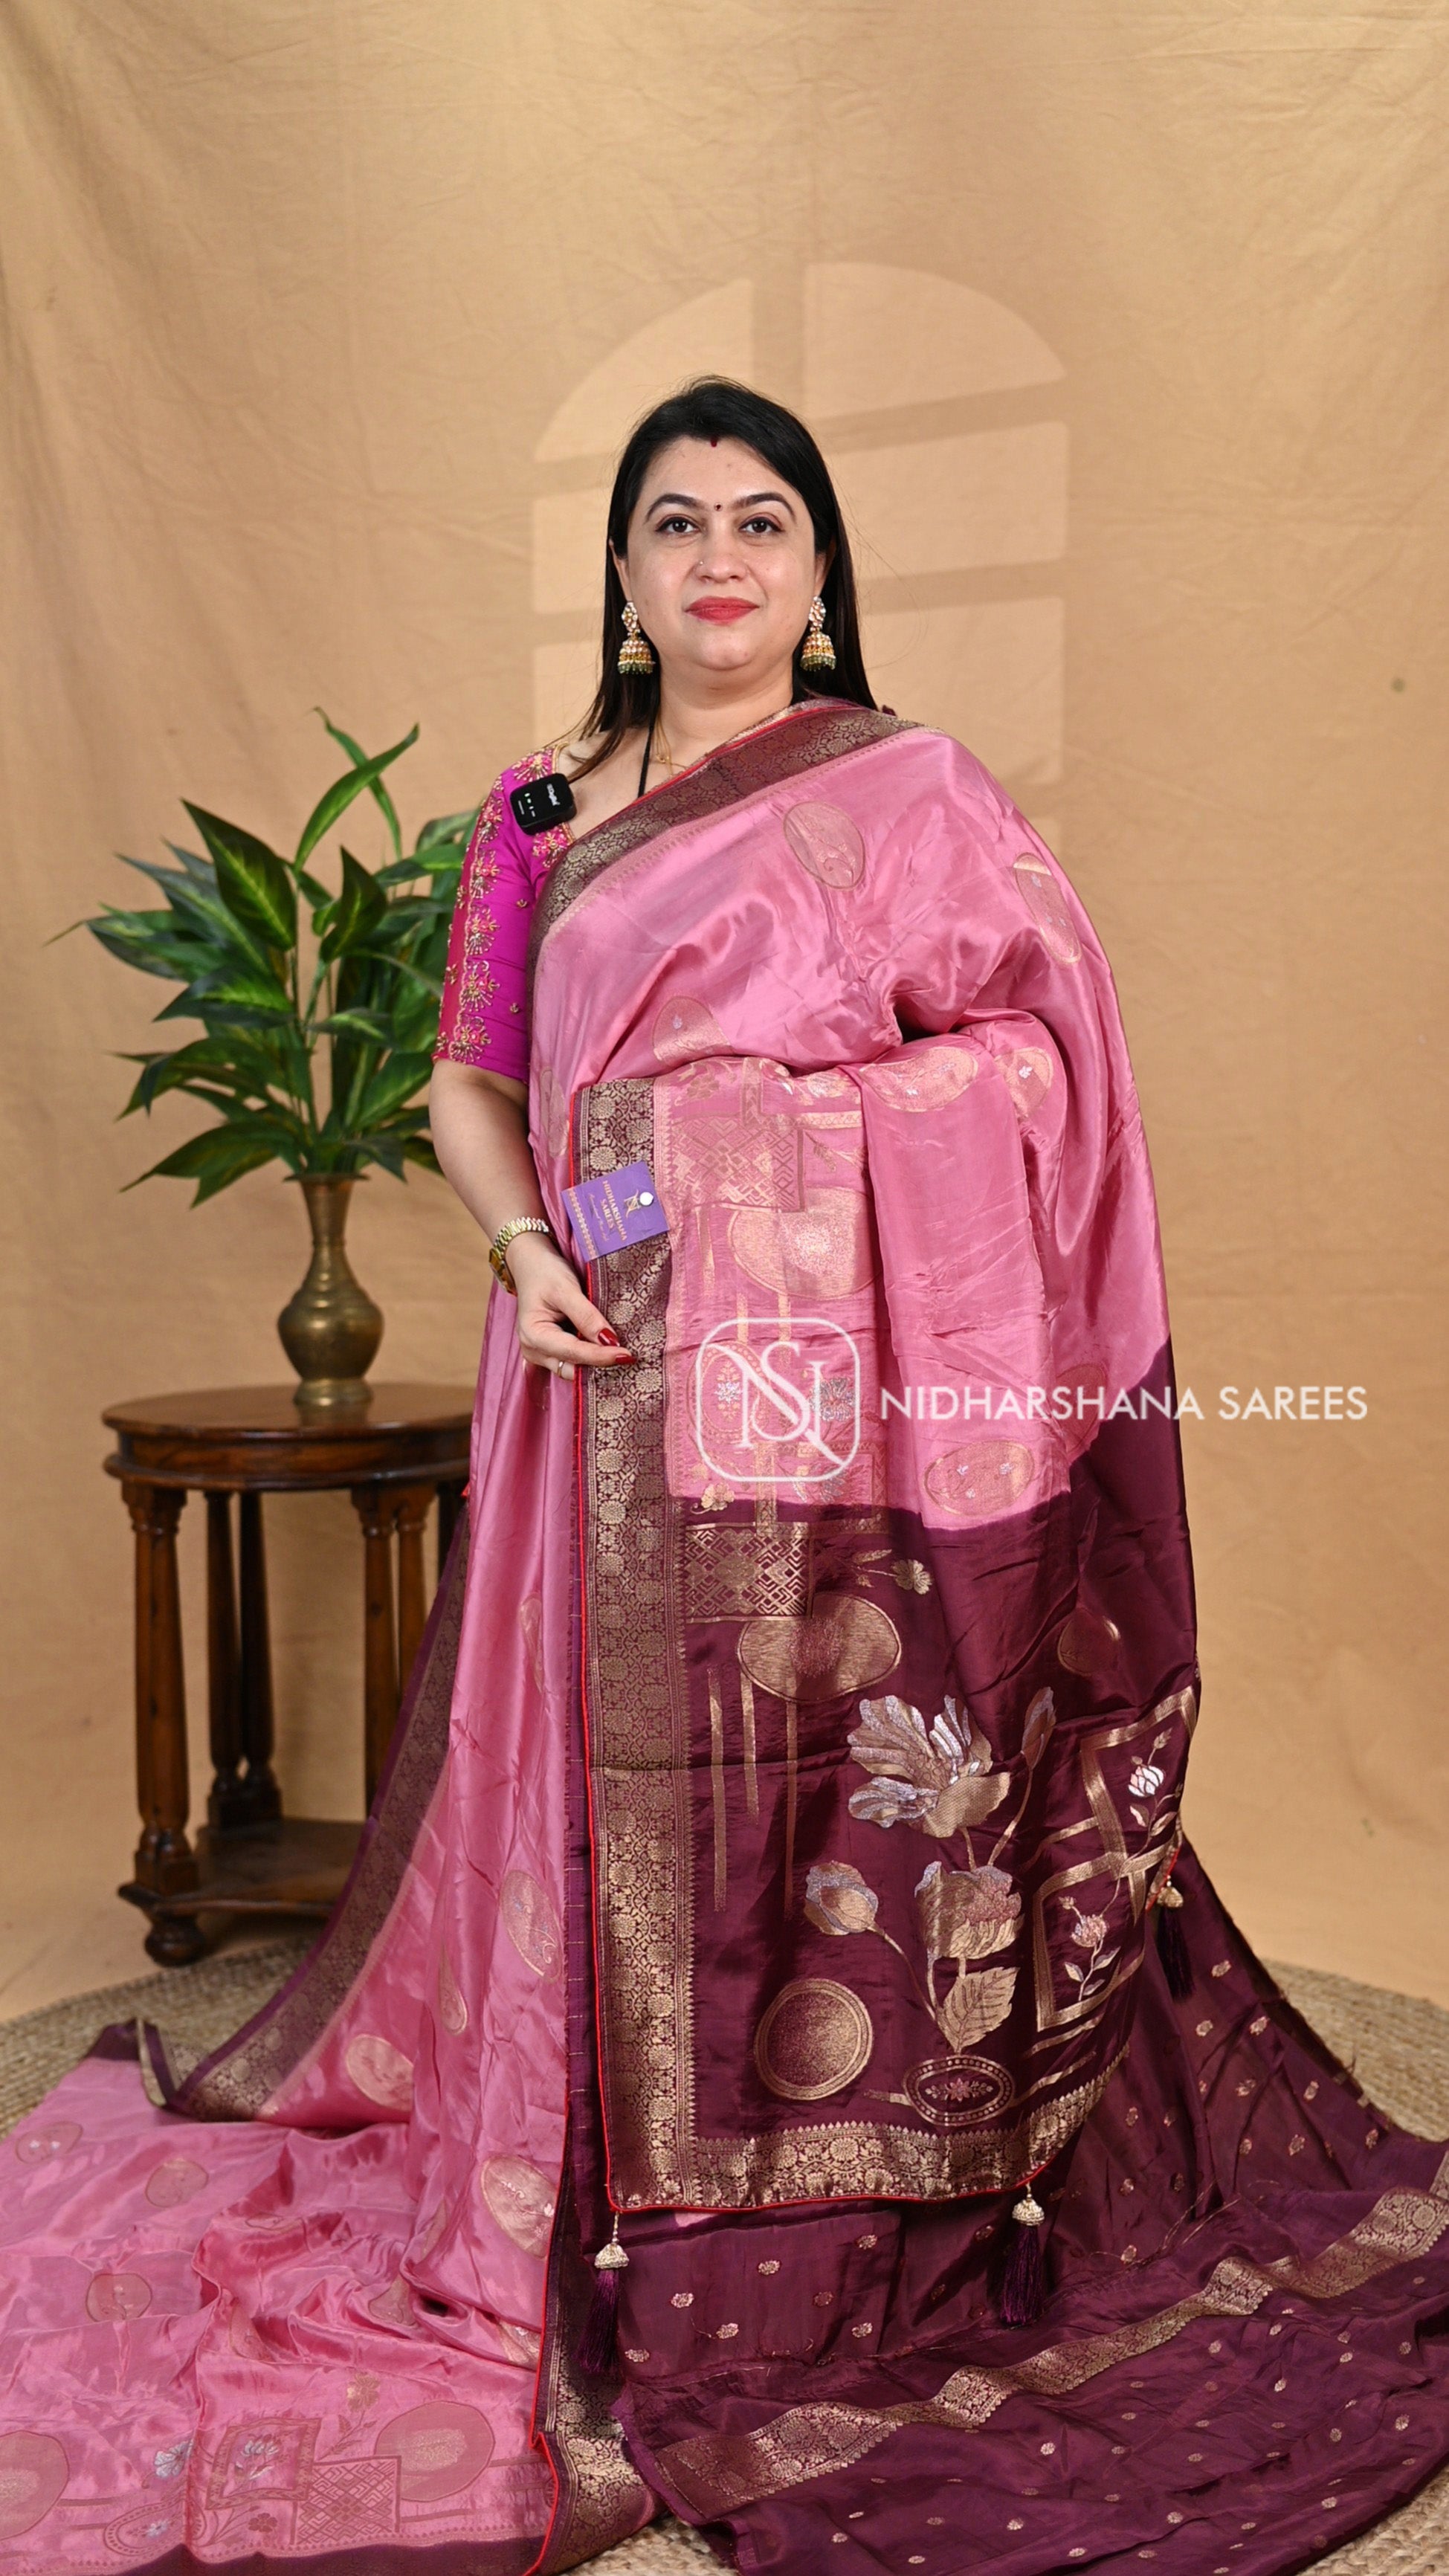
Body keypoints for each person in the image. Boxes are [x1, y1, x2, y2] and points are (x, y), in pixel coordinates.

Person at [1, 379, 1446, 2576]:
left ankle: (845, 2164)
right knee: (611, 1775)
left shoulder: (913, 793)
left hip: (853, 1389)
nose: (718, 562)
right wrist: (527, 1245)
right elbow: (471, 1083)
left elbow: (1045, 1066)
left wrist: (767, 1139)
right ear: (621, 570)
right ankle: (609, 2150)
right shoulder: (534, 817)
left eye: (762, 522)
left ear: (821, 566)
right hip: (601, 1350)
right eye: (674, 524)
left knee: (837, 1744)